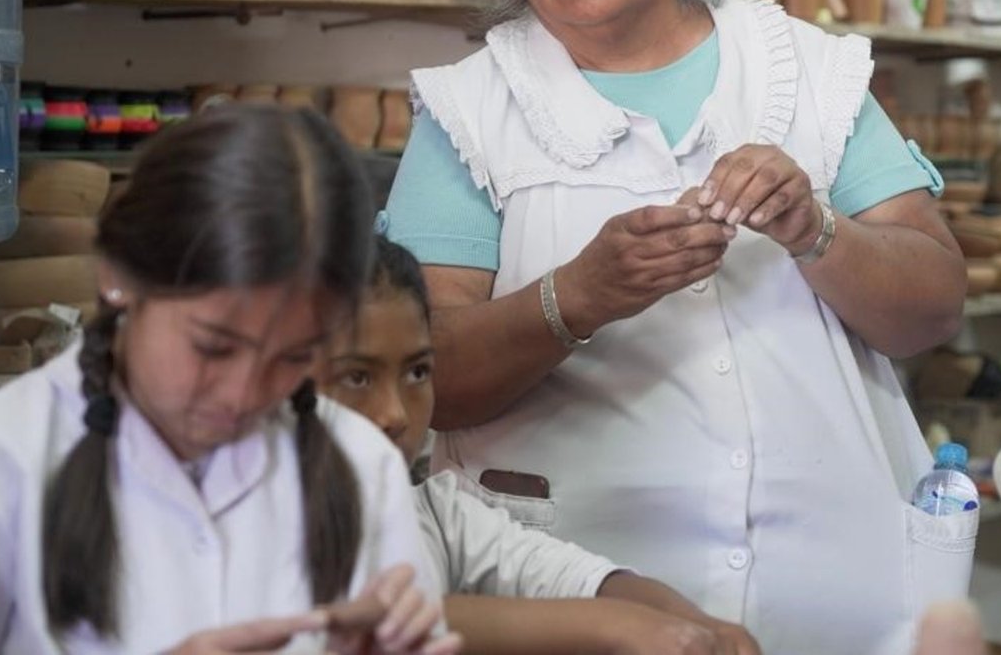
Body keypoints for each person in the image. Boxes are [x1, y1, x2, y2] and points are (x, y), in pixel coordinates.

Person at [382, 0, 968, 654]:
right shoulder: (472, 111)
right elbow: (423, 379)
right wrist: (577, 297)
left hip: (836, 591)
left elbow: (932, 308)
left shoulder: (803, 69)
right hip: (591, 599)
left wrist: (817, 231)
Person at [0, 106, 457, 655]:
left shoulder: (362, 467)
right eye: (214, 347)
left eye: (294, 356)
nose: (243, 393)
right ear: (118, 276)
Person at [321, 235, 760, 654]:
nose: (395, 413)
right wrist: (621, 626)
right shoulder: (263, 517)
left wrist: (693, 625)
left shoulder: (434, 514)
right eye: (357, 377)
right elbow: (371, 619)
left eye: (417, 373)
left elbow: (568, 577)